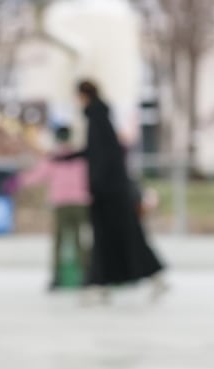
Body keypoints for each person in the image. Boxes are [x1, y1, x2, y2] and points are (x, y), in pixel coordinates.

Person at [66, 80, 167, 302]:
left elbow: (102, 156)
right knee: (123, 236)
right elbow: (97, 152)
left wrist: (97, 186)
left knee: (114, 237)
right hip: (113, 191)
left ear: (83, 95)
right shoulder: (100, 116)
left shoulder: (97, 117)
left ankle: (99, 283)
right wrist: (68, 157)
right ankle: (104, 282)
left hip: (108, 194)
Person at [8, 125, 90, 291]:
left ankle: (57, 277)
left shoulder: (53, 158)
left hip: (62, 204)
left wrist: (17, 182)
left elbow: (37, 175)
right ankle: (86, 276)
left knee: (59, 241)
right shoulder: (81, 158)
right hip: (80, 202)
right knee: (79, 240)